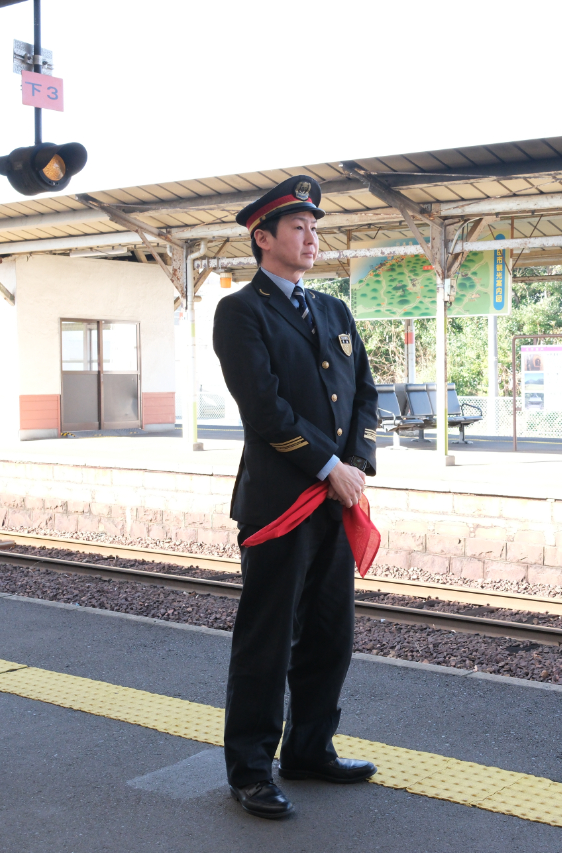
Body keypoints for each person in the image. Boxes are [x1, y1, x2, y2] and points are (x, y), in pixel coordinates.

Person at [212, 175, 380, 820]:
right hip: (282, 501)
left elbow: (364, 390)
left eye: (315, 228)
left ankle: (310, 748)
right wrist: (328, 465)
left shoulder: (334, 309)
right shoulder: (241, 311)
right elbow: (264, 409)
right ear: (263, 238)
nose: (312, 238)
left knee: (330, 635)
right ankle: (251, 768)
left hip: (337, 496)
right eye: (298, 228)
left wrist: (356, 462)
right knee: (267, 638)